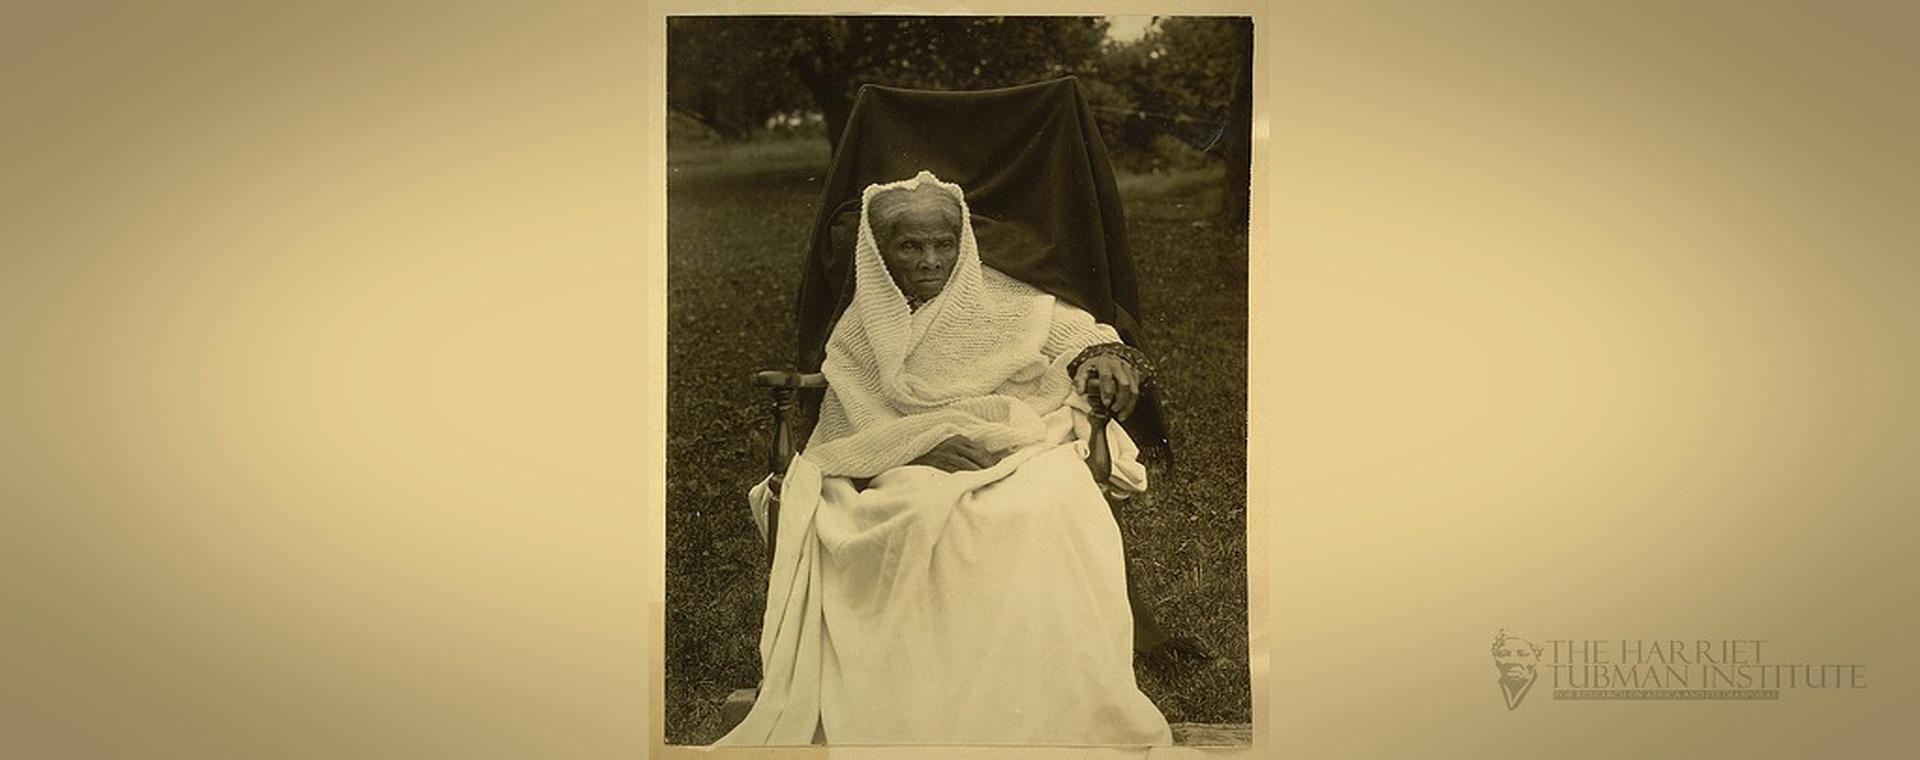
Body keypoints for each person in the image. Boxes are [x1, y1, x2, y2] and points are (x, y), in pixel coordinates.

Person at [717, 171, 1172, 746]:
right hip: (906, 463)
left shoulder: (999, 294)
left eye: (944, 243)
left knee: (1048, 501)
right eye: (911, 246)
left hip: (1016, 442)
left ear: (963, 243)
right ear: (882, 253)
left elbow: (1079, 334)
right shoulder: (862, 329)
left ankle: (1029, 690)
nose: (931, 260)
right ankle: (922, 695)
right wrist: (919, 448)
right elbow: (850, 432)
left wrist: (1105, 356)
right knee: (910, 510)